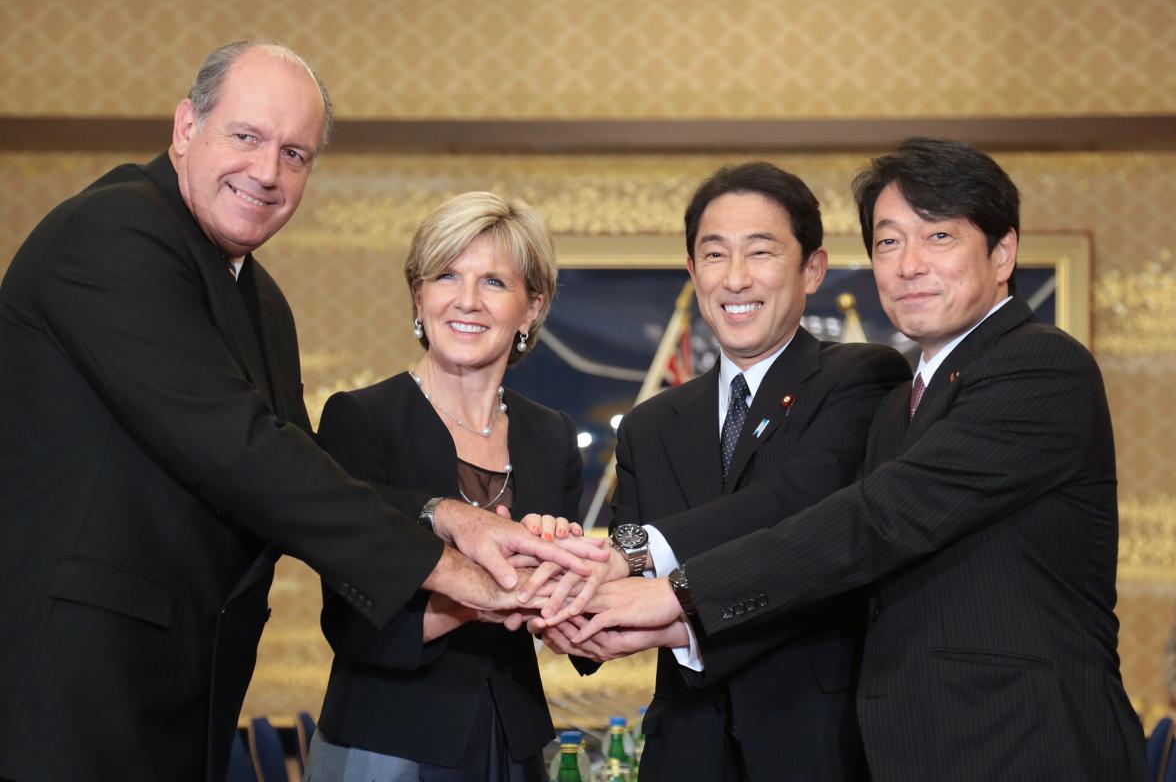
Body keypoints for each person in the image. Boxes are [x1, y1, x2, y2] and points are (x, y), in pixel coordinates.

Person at [0, 41, 600, 782]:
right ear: (186, 127)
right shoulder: (115, 234)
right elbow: (243, 453)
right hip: (75, 682)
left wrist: (453, 515)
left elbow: (298, 464)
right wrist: (461, 574)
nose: (267, 172)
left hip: (181, 690)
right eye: (246, 137)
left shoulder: (263, 301)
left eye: (295, 154)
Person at [540, 138, 1151, 781]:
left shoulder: (1036, 365)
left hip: (1025, 745)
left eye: (937, 236)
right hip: (906, 749)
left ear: (1003, 252)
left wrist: (670, 591)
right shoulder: (905, 406)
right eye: (888, 243)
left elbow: (870, 518)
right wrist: (584, 579)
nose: (909, 265)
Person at [540, 162, 909, 781]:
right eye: (714, 255)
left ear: (812, 269)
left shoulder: (862, 379)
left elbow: (794, 505)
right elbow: (621, 576)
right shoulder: (650, 425)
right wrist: (566, 605)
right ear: (692, 272)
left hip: (819, 747)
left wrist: (634, 559)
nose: (735, 279)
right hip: (684, 750)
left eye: (760, 252)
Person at [302, 191, 583, 781]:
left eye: (494, 283)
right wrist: (493, 591)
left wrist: (566, 573)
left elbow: (569, 637)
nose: (467, 300)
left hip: (514, 744)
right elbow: (353, 626)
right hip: (387, 738)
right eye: (446, 275)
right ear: (418, 296)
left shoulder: (551, 435)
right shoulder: (361, 419)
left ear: (532, 308)